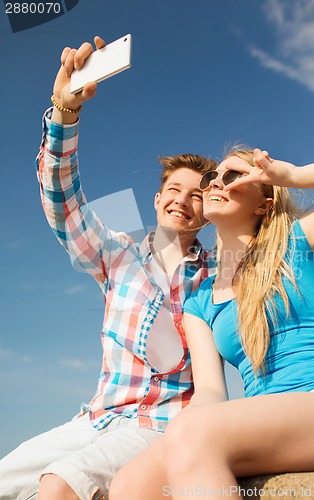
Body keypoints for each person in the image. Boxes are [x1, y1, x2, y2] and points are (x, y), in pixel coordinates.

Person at [0, 36, 217, 500]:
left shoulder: (217, 271)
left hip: (160, 423)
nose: (184, 200)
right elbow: (64, 203)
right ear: (157, 200)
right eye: (175, 190)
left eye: (199, 195)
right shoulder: (119, 251)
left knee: (58, 487)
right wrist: (64, 111)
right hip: (95, 417)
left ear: (208, 213)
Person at [109, 148, 314, 499]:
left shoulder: (295, 243)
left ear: (263, 203)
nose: (217, 181)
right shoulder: (199, 301)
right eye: (212, 178)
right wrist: (183, 430)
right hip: (265, 423)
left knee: (195, 432)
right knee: (130, 484)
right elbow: (211, 392)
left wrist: (290, 176)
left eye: (233, 176)